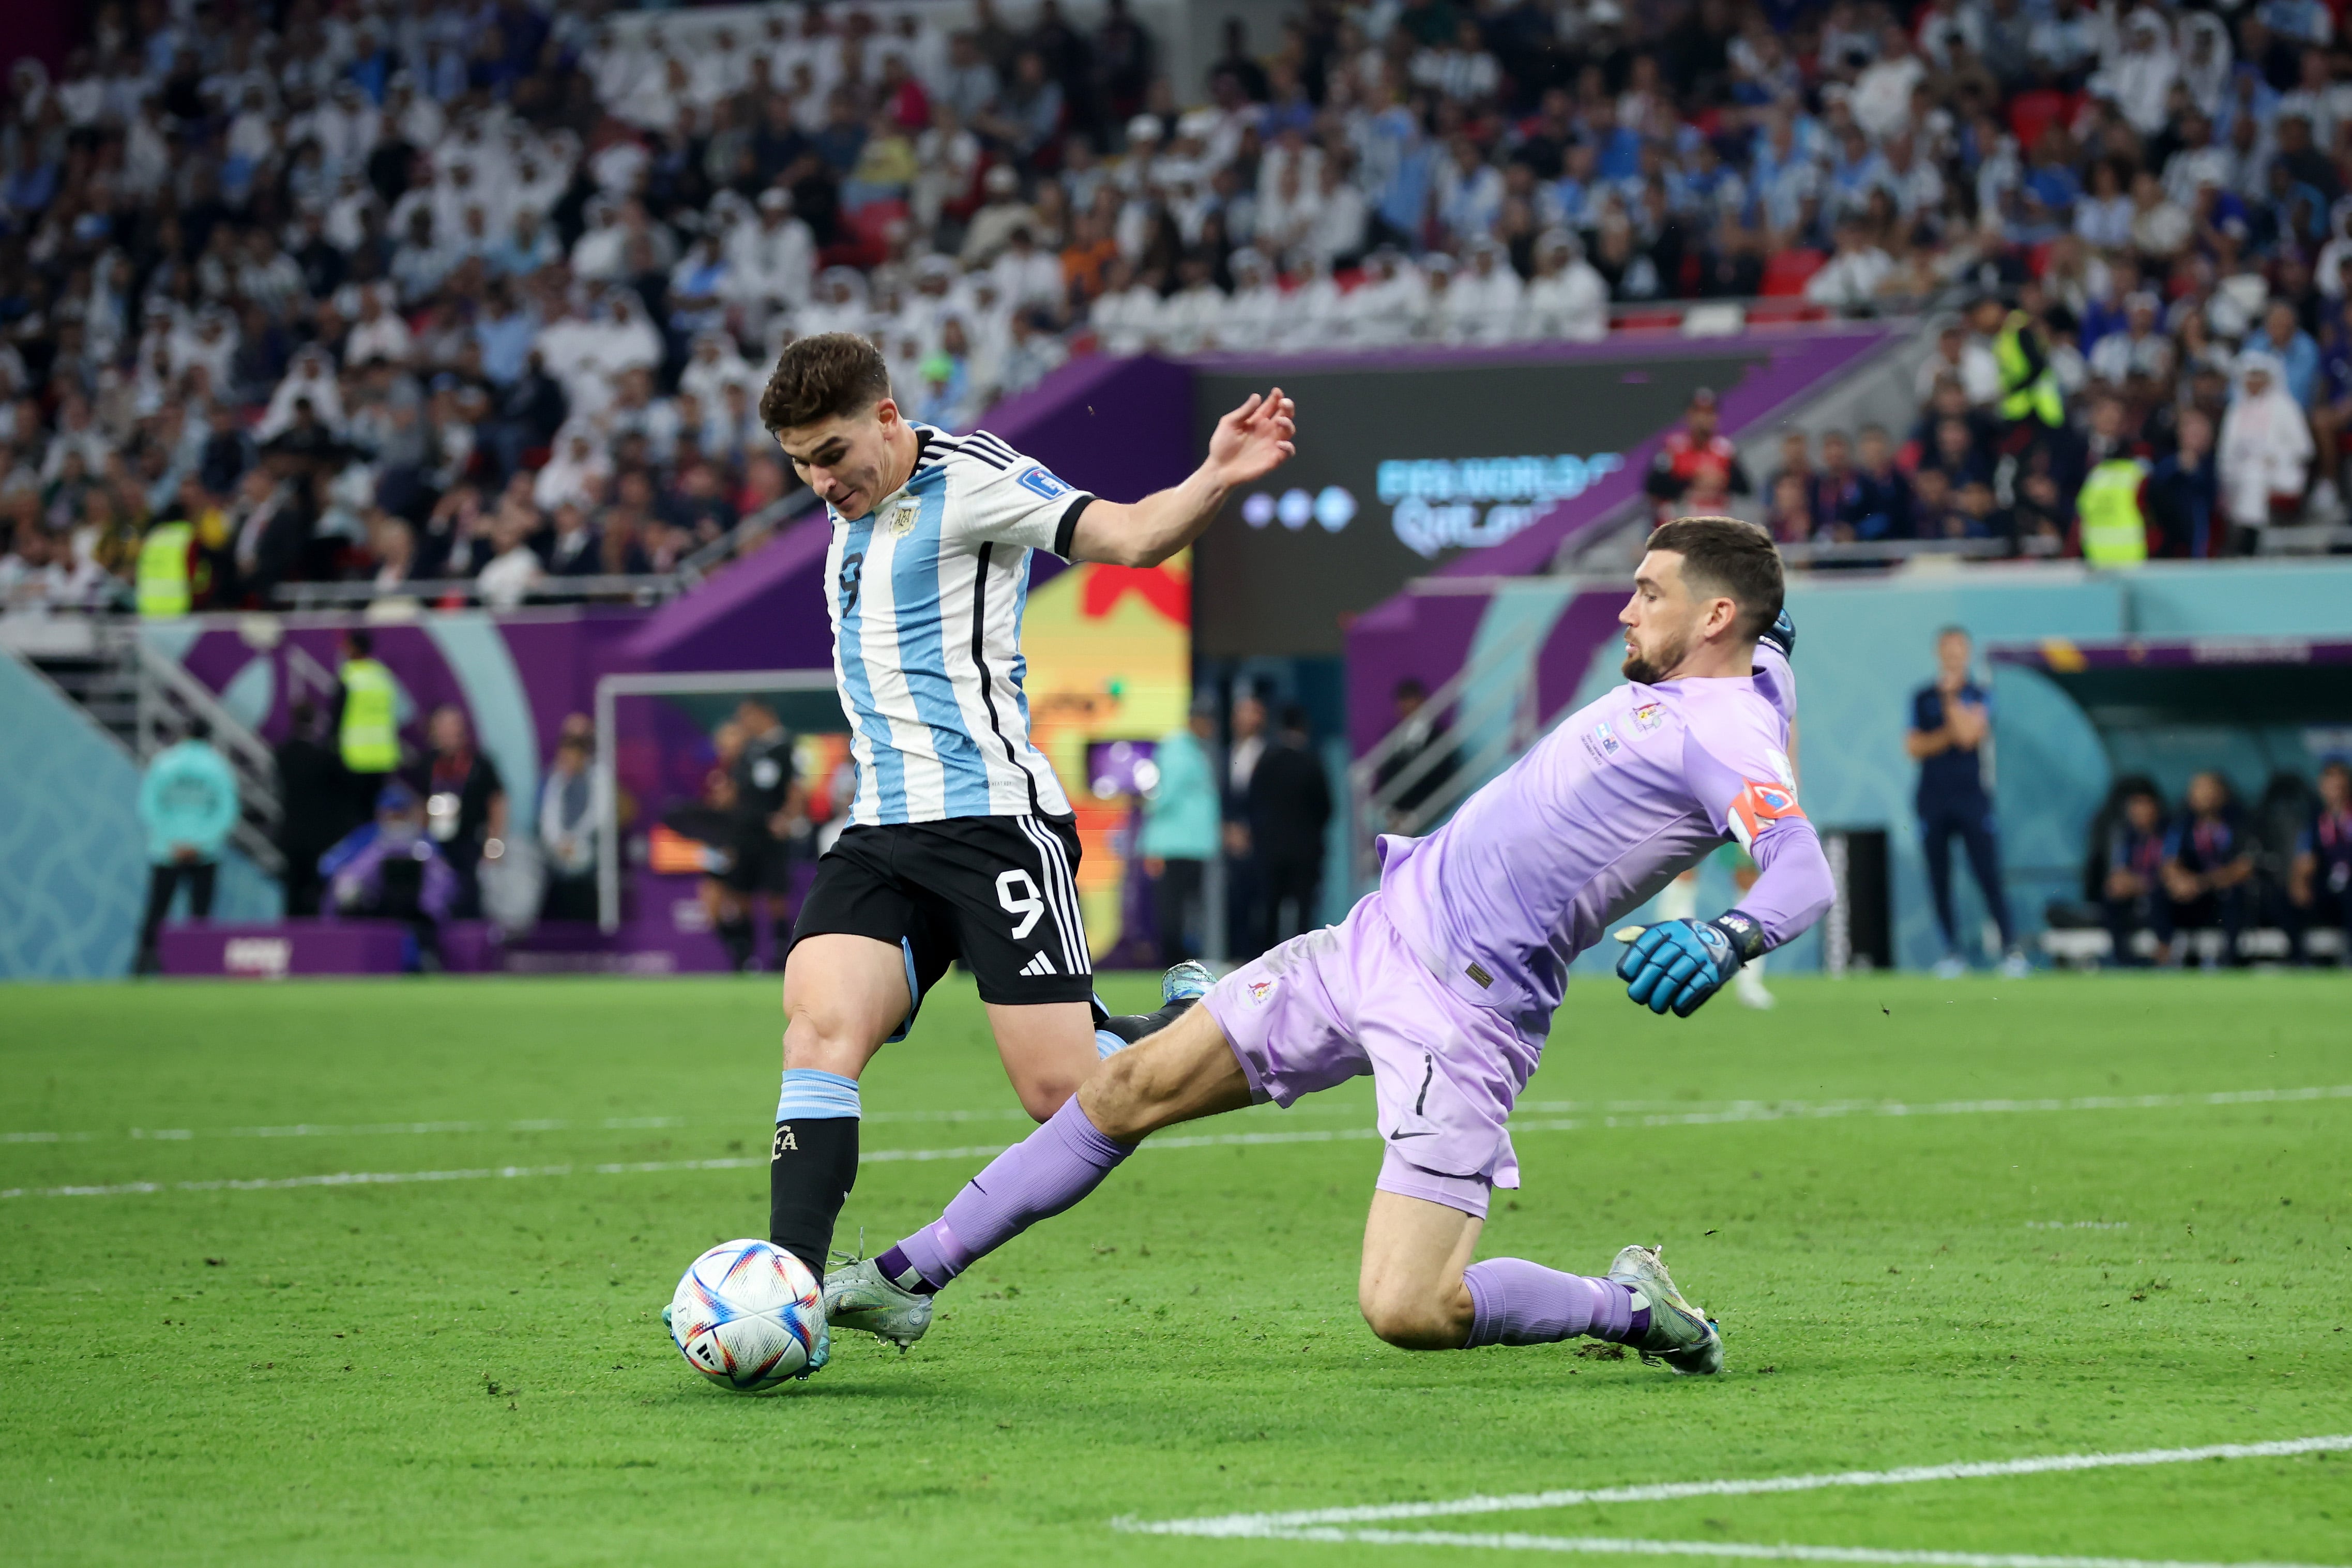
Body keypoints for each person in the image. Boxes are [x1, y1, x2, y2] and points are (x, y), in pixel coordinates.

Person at [822, 517, 1831, 1373]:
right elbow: (1770, 640)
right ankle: (905, 1279)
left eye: (1648, 592)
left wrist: (1730, 934)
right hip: (1376, 938)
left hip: (1466, 1016)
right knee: (1125, 1088)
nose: (1623, 609)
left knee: (1409, 1307)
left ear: (1713, 618)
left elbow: (1802, 870)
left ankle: (1627, 1306)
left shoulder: (1730, 732)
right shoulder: (1751, 671)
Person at [738, 332, 1296, 1379]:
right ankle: (788, 1297)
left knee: (1065, 1094)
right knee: (817, 1028)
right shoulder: (847, 509)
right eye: (801, 461)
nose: (820, 479)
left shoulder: (976, 481)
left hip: (994, 825)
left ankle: (1196, 1022)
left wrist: (1215, 472)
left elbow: (1127, 536)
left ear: (890, 417)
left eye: (833, 451)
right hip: (879, 833)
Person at [1904, 627, 2027, 977]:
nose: (1953, 655)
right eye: (1947, 649)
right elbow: (1913, 746)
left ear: (1967, 653)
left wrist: (1949, 704)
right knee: (1939, 877)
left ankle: (2010, 951)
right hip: (1932, 798)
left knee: (1988, 874)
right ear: (1938, 652)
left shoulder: (1980, 693)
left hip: (1972, 797)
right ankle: (1951, 953)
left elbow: (1969, 734)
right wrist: (1947, 733)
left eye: (1959, 649)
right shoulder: (1920, 696)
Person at [133, 719, 240, 975]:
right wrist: (200, 843)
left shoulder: (164, 762)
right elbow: (227, 811)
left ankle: (143, 970)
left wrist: (174, 841)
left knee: (157, 912)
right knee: (200, 916)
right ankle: (197, 969)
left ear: (185, 735)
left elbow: (149, 806)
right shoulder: (218, 766)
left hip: (166, 850)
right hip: (205, 852)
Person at [320, 780, 458, 970]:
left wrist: (432, 901)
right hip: (371, 904)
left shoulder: (422, 838)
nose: (395, 820)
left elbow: (446, 877)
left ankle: (425, 956)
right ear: (380, 813)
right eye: (391, 813)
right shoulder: (367, 835)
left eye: (400, 813)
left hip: (415, 910)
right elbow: (327, 866)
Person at [718, 697, 799, 970]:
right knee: (740, 891)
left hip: (770, 833)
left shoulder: (786, 746)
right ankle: (746, 954)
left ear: (764, 714)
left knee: (775, 893)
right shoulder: (746, 749)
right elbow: (735, 790)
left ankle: (780, 952)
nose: (743, 722)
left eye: (748, 716)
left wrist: (786, 819)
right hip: (744, 831)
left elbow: (796, 788)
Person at [1138, 695, 1219, 966]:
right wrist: (1152, 845)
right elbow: (1163, 797)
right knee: (1174, 911)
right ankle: (1173, 965)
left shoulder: (1191, 749)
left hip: (1189, 846)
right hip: (1175, 846)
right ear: (1196, 721)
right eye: (1208, 721)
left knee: (1183, 911)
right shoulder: (1179, 749)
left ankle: (1180, 963)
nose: (1212, 727)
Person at [1248, 703, 1332, 945]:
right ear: (1303, 728)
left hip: (1270, 850)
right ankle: (1300, 966)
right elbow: (1326, 808)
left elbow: (1253, 803)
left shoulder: (1266, 763)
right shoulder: (1312, 762)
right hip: (1306, 851)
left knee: (1270, 909)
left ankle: (1265, 966)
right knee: (1304, 911)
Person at [412, 705, 506, 919]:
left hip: (470, 841)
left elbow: (497, 802)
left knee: (469, 893)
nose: (447, 734)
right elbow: (421, 803)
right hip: (438, 843)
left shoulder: (480, 764)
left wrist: (494, 844)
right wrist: (421, 840)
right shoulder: (428, 763)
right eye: (442, 728)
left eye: (452, 728)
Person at [2160, 771, 2255, 967]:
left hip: (2221, 894)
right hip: (2193, 897)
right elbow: (2169, 864)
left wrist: (2202, 883)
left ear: (2223, 794)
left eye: (2209, 789)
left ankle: (2231, 958)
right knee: (2160, 892)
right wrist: (2179, 882)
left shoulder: (2240, 823)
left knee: (2236, 894)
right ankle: (2164, 955)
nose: (2204, 795)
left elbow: (2244, 868)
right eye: (2198, 790)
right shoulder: (2182, 824)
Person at [272, 700, 347, 918]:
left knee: (292, 891)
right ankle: (312, 940)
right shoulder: (324, 758)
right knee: (315, 891)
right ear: (315, 723)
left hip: (291, 833)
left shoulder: (283, 754)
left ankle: (292, 936)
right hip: (317, 836)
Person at [1643, 387, 1751, 523]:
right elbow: (1653, 486)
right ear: (1689, 415)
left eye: (1709, 413)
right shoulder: (1672, 447)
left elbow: (1745, 489)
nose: (1703, 418)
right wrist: (1694, 479)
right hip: (1679, 522)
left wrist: (1723, 480)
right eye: (1698, 412)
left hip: (1716, 523)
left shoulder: (1725, 449)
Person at [1371, 677, 1460, 829]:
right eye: (1403, 701)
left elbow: (1445, 783)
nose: (1407, 706)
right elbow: (1384, 780)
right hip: (1396, 824)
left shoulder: (1439, 739)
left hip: (1431, 821)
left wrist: (1418, 816)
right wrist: (1389, 813)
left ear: (1422, 702)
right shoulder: (1392, 740)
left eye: (1412, 700)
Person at [2287, 760, 2352, 965]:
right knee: (2286, 894)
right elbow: (2304, 859)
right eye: (2331, 786)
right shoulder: (2315, 820)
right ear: (2322, 788)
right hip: (2326, 886)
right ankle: (2298, 957)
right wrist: (2299, 882)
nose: (2336, 791)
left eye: (2341, 786)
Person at [333, 629, 400, 823]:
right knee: (377, 815)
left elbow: (337, 716)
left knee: (355, 817)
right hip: (382, 756)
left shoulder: (349, 676)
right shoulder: (383, 676)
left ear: (353, 647)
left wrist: (333, 747)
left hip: (355, 757)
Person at [538, 732, 605, 923]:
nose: (565, 762)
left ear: (583, 757)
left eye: (570, 758)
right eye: (563, 758)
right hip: (560, 854)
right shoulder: (557, 780)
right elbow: (549, 817)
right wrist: (559, 842)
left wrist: (574, 840)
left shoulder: (599, 778)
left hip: (592, 853)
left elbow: (597, 816)